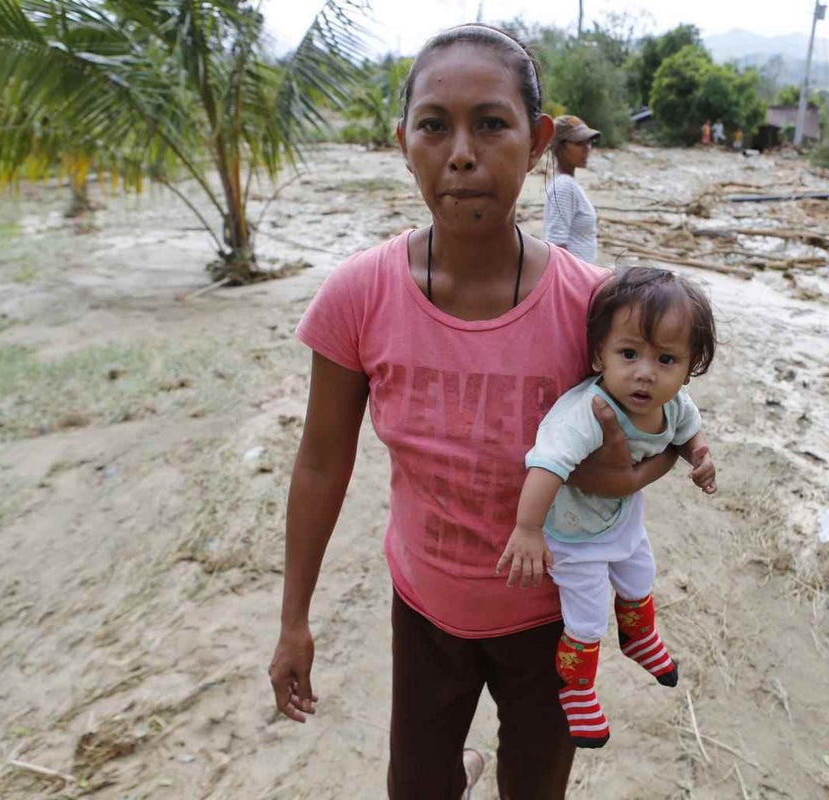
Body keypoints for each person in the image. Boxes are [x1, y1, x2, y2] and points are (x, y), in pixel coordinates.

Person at [267, 24, 680, 800]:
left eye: (491, 124)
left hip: (552, 616)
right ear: (404, 142)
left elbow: (630, 453)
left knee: (535, 788)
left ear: (537, 143)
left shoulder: (594, 310)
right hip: (426, 610)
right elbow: (322, 459)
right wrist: (294, 619)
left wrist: (626, 460)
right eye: (434, 125)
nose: (461, 152)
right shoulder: (360, 296)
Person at [496, 267, 718, 748]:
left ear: (689, 367)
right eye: (629, 353)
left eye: (666, 359)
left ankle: (639, 638)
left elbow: (688, 433)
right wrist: (528, 528)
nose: (645, 372)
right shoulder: (586, 412)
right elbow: (547, 466)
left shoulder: (674, 404)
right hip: (573, 537)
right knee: (588, 615)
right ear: (600, 353)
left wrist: (700, 458)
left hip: (622, 522)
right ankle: (576, 689)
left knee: (640, 576)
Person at [544, 114, 600, 262]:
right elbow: (557, 245)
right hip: (575, 281)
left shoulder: (568, 183)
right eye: (579, 143)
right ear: (560, 146)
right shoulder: (564, 186)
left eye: (588, 142)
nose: (587, 149)